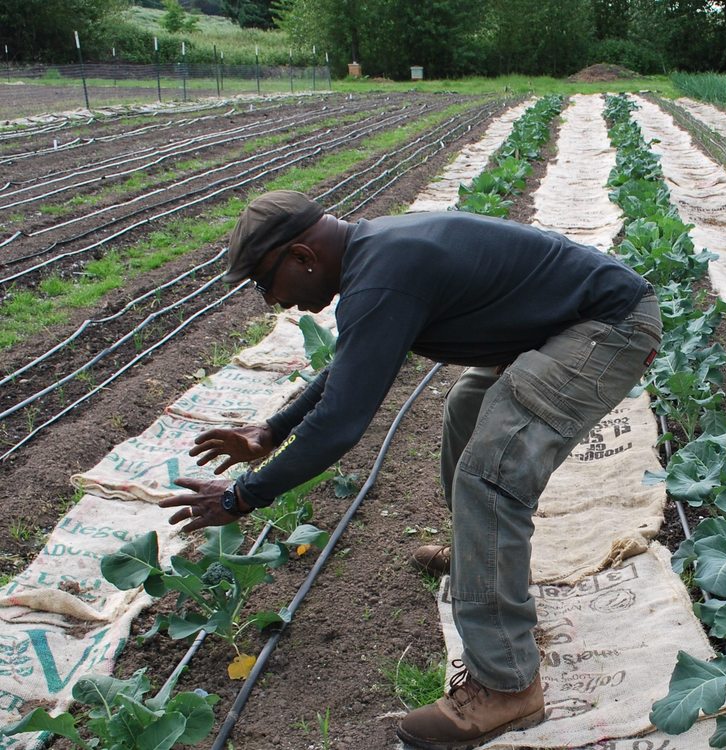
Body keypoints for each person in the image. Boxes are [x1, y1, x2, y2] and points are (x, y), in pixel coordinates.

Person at [159, 190, 662, 749]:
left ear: (303, 256)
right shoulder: (376, 255)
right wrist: (274, 429)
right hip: (566, 323)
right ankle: (477, 559)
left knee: (490, 476)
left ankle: (506, 684)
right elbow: (356, 364)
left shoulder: (382, 274)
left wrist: (241, 498)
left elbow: (340, 425)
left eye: (264, 282)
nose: (272, 301)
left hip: (608, 328)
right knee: (467, 408)